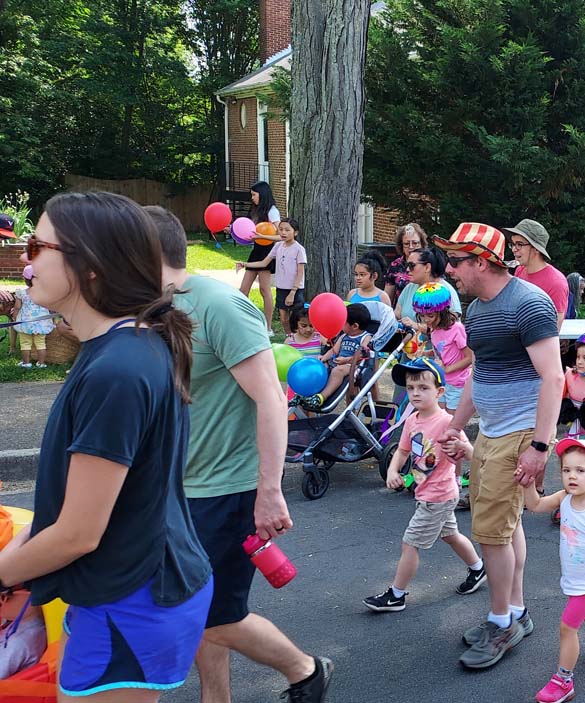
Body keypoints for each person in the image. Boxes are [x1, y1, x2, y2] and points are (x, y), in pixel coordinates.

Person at [0, 192, 212, 700]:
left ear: (89, 265)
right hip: (126, 590)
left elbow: (78, 532)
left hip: (132, 600)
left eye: (36, 246)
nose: (25, 262)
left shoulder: (117, 369)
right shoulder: (124, 347)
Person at [151, 205, 333, 703]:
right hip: (178, 488)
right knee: (201, 607)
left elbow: (273, 399)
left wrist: (270, 492)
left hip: (228, 489)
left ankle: (305, 670)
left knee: (211, 612)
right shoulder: (150, 312)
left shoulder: (220, 307)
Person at [433, 222, 563, 670]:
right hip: (491, 430)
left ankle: (501, 620)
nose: (448, 269)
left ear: (481, 263)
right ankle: (514, 612)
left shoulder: (529, 305)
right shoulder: (478, 309)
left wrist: (540, 448)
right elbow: (480, 374)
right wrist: (456, 425)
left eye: (455, 261)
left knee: (489, 531)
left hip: (521, 434)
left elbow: (554, 377)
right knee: (505, 528)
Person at [364, 358, 487, 613]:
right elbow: (402, 450)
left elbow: (472, 454)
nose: (415, 393)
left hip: (439, 496)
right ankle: (478, 569)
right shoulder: (412, 420)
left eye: (423, 387)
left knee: (410, 544)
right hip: (427, 492)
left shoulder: (446, 422)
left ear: (439, 391)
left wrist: (464, 449)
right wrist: (393, 470)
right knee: (450, 535)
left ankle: (396, 595)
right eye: (410, 388)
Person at [521, 439, 585, 703]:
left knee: (568, 626)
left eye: (580, 470)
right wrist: (528, 482)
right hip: (573, 578)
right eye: (567, 470)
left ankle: (563, 680)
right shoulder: (565, 498)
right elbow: (534, 505)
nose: (572, 476)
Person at [236, 217, 305, 334]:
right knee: (284, 319)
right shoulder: (278, 246)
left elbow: (300, 272)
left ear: (295, 232)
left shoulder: (299, 249)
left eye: (287, 230)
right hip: (281, 288)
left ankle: (300, 339)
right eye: (281, 229)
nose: (283, 232)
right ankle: (291, 338)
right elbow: (263, 262)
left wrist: (293, 292)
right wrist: (245, 264)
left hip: (295, 290)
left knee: (297, 318)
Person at [413, 283, 473, 412]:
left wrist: (447, 369)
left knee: (452, 422)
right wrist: (426, 353)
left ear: (443, 312)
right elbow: (442, 350)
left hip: (457, 383)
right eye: (422, 316)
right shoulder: (434, 327)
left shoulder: (456, 329)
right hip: (441, 380)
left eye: (431, 315)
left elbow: (470, 357)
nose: (426, 320)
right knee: (439, 418)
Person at [506, 219, 569, 326]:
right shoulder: (519, 270)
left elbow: (554, 328)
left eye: (519, 244)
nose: (514, 249)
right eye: (513, 244)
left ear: (536, 249)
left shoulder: (557, 283)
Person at [241, 181, 282, 333]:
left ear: (262, 194)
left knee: (265, 290)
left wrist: (263, 236)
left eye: (254, 195)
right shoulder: (255, 211)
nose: (252, 198)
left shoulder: (272, 211)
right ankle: (245, 323)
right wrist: (232, 231)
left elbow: (281, 234)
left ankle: (268, 327)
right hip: (256, 251)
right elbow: (251, 233)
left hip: (267, 252)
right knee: (243, 290)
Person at [318, 302, 372, 403]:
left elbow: (363, 354)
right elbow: (334, 350)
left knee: (338, 371)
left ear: (355, 326)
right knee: (322, 366)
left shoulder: (366, 337)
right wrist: (324, 358)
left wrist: (346, 360)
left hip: (354, 366)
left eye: (343, 322)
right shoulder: (343, 336)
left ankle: (322, 397)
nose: (340, 323)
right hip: (340, 364)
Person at [396, 246, 461, 327]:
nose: (407, 269)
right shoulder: (409, 287)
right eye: (406, 265)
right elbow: (397, 315)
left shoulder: (445, 290)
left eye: (412, 265)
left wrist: (416, 326)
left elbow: (451, 326)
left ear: (427, 267)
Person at [12, 264, 55, 368]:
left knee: (25, 344)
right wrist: (52, 319)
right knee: (41, 344)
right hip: (41, 323)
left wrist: (14, 317)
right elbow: (51, 308)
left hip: (25, 323)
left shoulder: (21, 293)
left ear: (25, 279)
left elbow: (17, 307)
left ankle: (26, 363)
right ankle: (41, 363)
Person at [385, 223, 427, 303]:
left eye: (415, 243)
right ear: (401, 246)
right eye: (407, 244)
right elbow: (388, 298)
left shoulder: (429, 263)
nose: (411, 247)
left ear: (421, 244)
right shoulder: (394, 266)